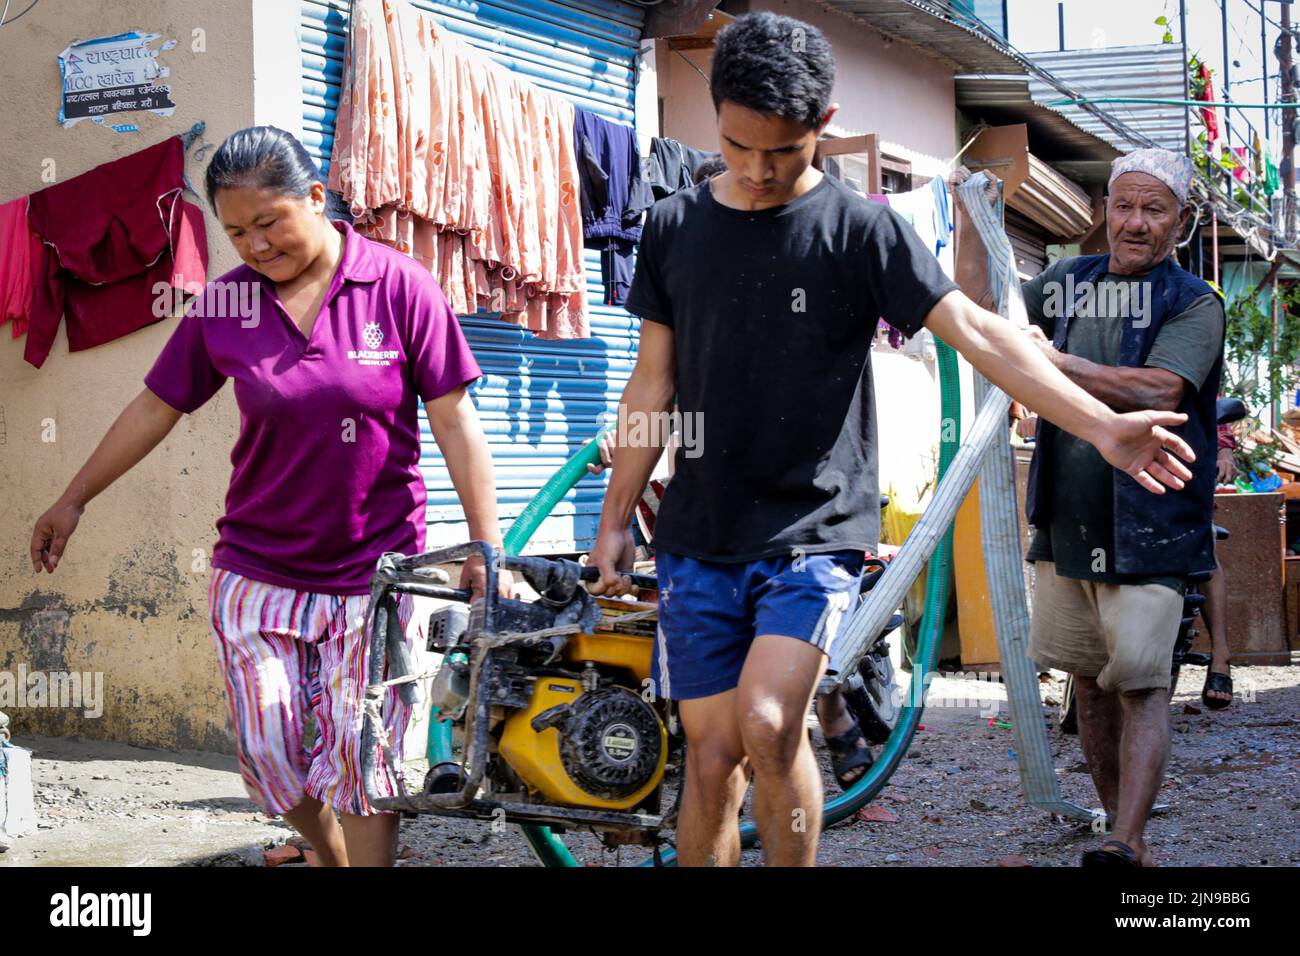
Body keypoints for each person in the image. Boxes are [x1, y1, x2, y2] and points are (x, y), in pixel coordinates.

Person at [585, 12, 1195, 867]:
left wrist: (1102, 429)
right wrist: (617, 514)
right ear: (714, 114)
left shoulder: (861, 231)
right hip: (696, 535)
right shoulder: (675, 227)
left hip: (813, 531)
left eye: (783, 152)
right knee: (714, 756)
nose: (758, 172)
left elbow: (981, 337)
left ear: (823, 127)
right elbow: (652, 381)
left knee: (769, 719)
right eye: (737, 147)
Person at [28, 126, 511, 867]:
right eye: (236, 232)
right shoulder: (229, 307)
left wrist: (487, 547)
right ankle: (327, 854)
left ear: (316, 198)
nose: (254, 245)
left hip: (375, 576)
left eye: (269, 222)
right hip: (256, 570)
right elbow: (156, 406)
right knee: (269, 750)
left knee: (365, 756)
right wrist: (75, 498)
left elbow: (455, 421)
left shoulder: (399, 285)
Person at [1019, 147, 1225, 866]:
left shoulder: (1194, 301)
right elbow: (986, 319)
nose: (1135, 223)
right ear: (1105, 209)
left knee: (1141, 682)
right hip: (1069, 521)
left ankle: (1127, 837)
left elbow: (1158, 391)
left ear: (1182, 221)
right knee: (1088, 684)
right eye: (1124, 206)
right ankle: (1118, 834)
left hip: (1151, 522)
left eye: (1154, 209)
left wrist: (1049, 362)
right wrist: (970, 218)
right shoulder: (1067, 282)